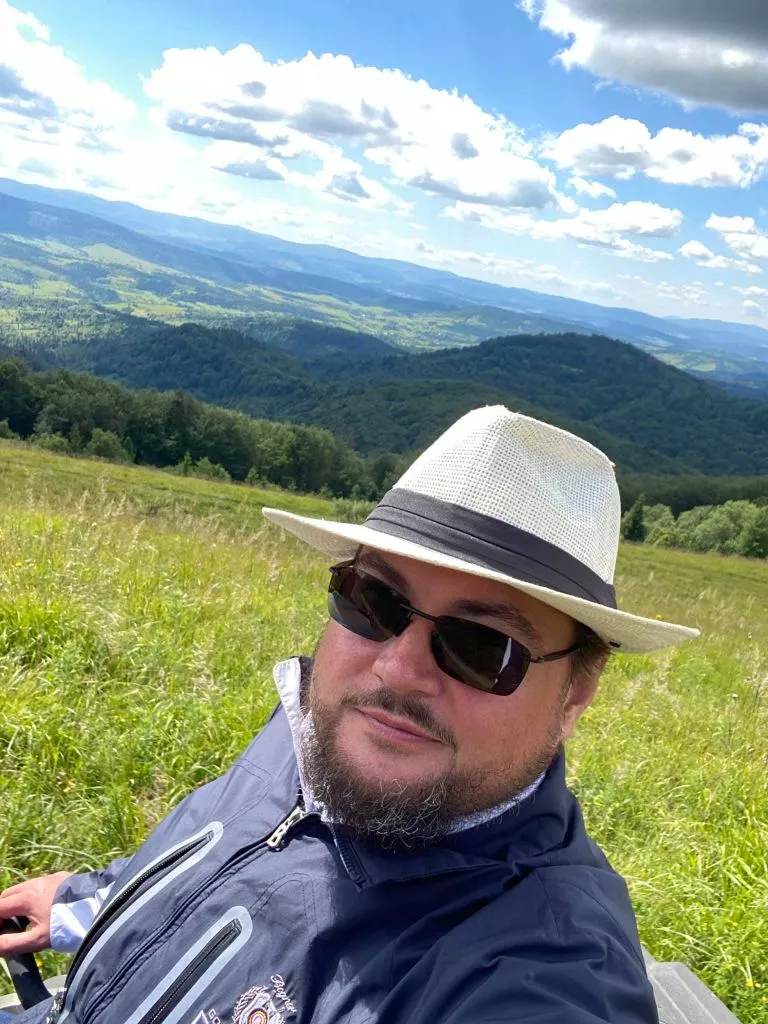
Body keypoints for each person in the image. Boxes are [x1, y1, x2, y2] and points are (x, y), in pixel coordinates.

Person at [0, 407, 698, 1024]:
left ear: (575, 693)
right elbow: (228, 859)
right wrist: (86, 901)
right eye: (374, 601)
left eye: (483, 646)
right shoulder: (318, 728)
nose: (396, 669)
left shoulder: (540, 973)